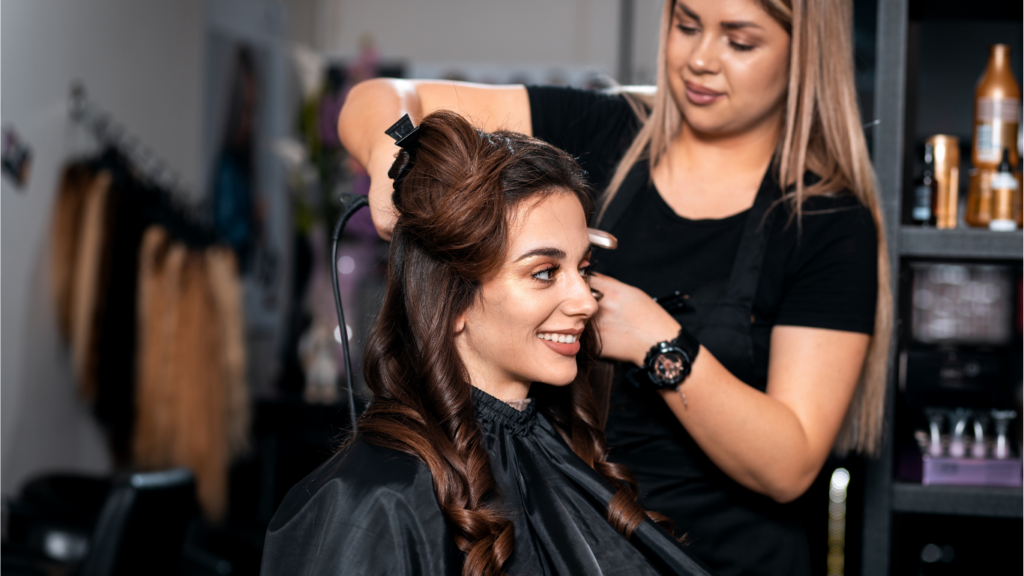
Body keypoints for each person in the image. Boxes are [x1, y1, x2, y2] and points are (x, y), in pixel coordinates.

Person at [337, 1, 891, 574]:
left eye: (740, 42)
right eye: (687, 25)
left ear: (804, 55)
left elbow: (790, 465)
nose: (700, 59)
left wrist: (655, 340)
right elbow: (379, 97)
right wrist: (392, 161)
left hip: (731, 560)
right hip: (567, 541)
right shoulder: (602, 130)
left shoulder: (824, 219)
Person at [262, 111, 710, 576]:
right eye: (544, 272)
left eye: (583, 267)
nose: (585, 301)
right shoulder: (370, 506)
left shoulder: (560, 449)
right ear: (451, 298)